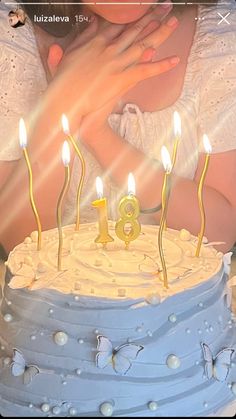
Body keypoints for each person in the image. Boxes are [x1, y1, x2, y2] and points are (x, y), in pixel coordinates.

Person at [0, 0, 235, 255]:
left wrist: (98, 134)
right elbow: (21, 242)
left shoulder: (218, 34)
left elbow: (219, 235)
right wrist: (60, 106)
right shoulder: (15, 26)